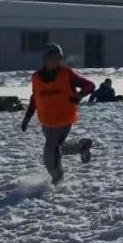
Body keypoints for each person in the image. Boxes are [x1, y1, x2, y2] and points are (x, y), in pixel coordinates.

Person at [20, 44, 96, 184]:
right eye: (52, 58)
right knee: (57, 147)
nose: (56, 61)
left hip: (63, 120)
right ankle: (82, 146)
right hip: (47, 122)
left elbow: (90, 85)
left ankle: (58, 181)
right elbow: (35, 98)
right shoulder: (36, 77)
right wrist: (27, 118)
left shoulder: (67, 74)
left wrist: (80, 95)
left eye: (58, 58)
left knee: (50, 153)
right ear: (45, 59)